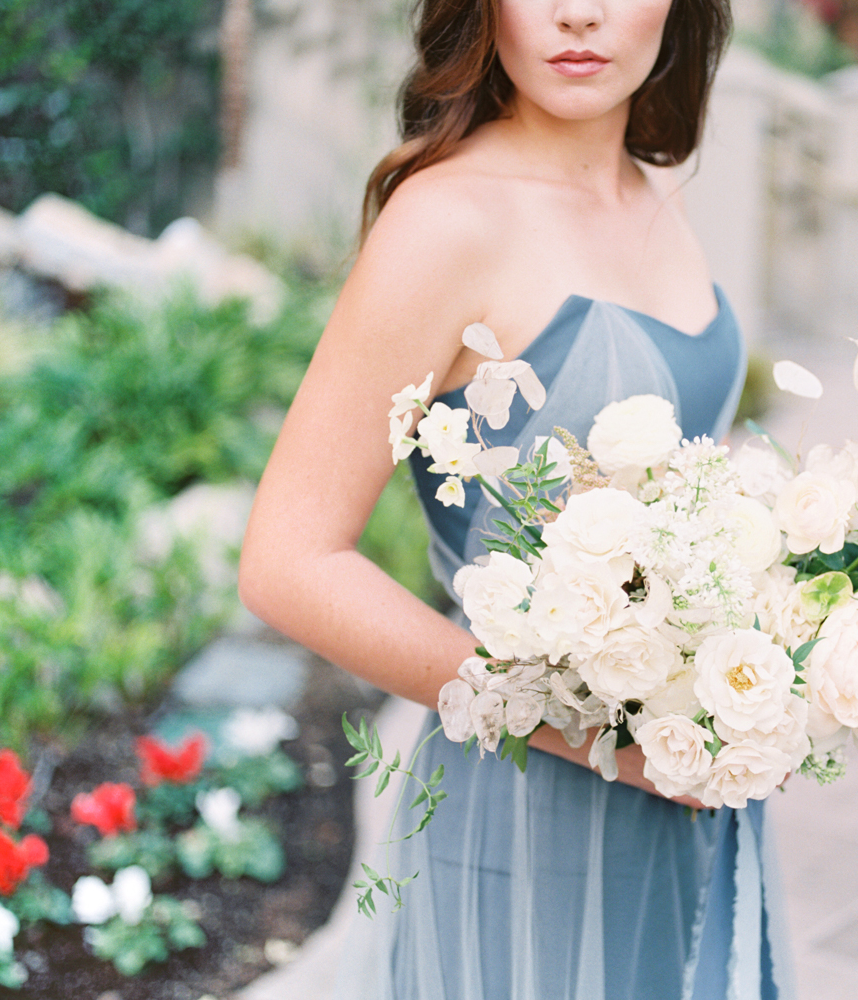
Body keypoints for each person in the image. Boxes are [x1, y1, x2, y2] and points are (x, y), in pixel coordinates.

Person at [238, 0, 795, 992]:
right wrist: (590, 733)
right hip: (529, 808)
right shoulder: (446, 222)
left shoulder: (647, 192)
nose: (576, 13)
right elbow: (287, 562)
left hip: (692, 797)